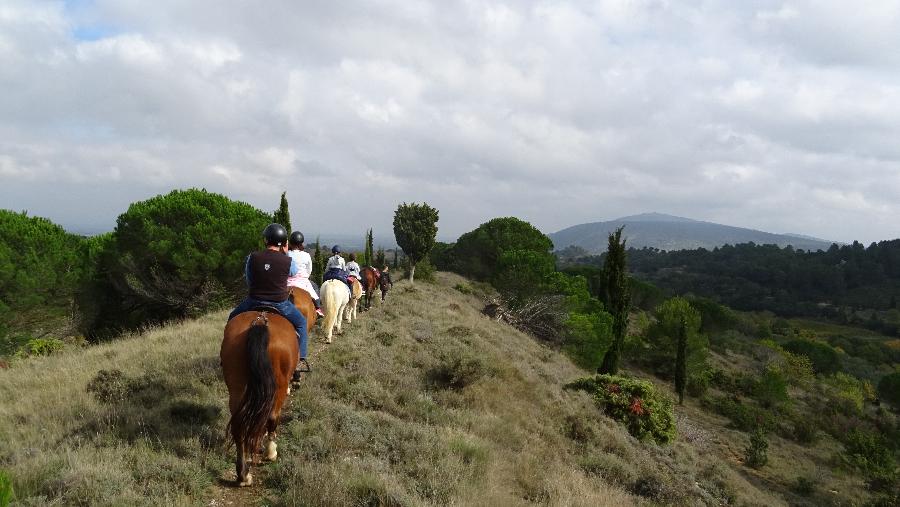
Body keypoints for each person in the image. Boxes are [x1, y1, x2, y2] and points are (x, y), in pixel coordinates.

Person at [228, 223, 310, 376]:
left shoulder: (252, 257)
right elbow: (293, 273)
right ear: (284, 242)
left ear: (265, 240)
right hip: (280, 304)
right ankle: (301, 359)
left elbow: (249, 280)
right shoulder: (288, 260)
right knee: (301, 323)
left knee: (232, 317)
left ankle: (225, 356)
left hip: (254, 301)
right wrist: (285, 255)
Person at [286, 231, 325, 317]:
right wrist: (305, 277)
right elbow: (309, 270)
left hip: (287, 282)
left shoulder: (287, 254)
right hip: (302, 282)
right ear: (301, 243)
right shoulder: (306, 255)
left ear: (291, 243)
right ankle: (317, 308)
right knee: (315, 288)